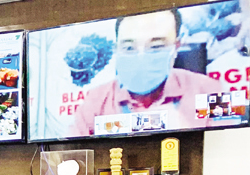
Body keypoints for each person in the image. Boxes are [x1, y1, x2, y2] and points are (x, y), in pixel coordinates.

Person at [73, 9, 225, 136]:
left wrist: (186, 131)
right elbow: (72, 156)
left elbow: (230, 148)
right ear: (117, 49)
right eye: (129, 48)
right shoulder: (96, 100)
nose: (141, 56)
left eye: (156, 46)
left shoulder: (211, 90)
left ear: (176, 47)